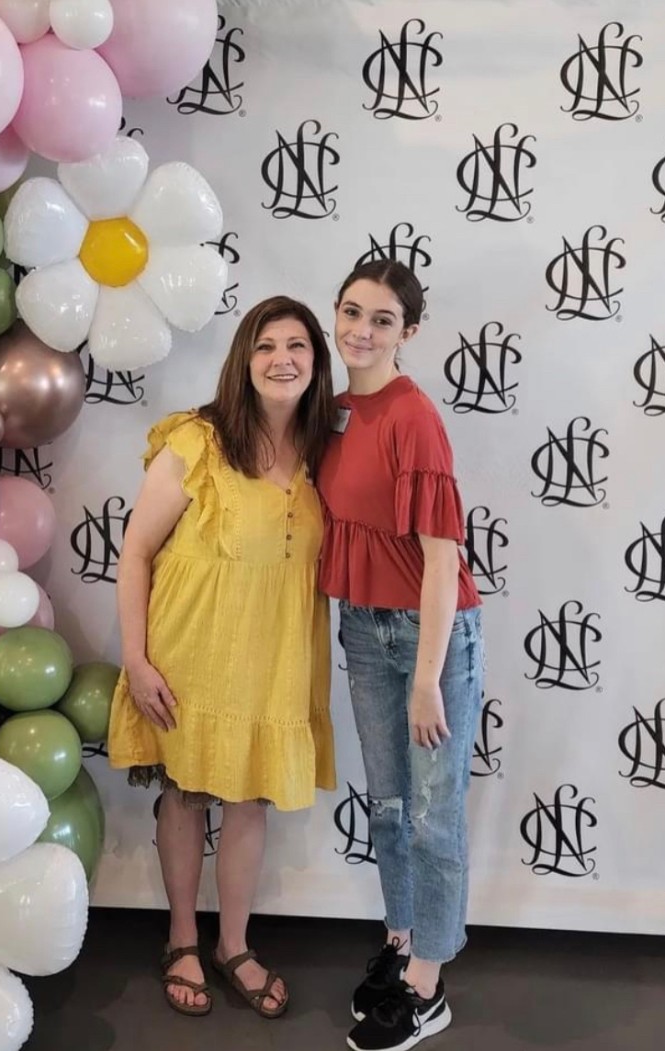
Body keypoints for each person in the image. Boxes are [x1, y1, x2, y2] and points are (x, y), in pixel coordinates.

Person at [107, 295, 337, 1019]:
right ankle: (181, 938)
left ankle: (233, 944)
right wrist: (137, 660)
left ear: (316, 361)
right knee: (185, 794)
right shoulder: (196, 440)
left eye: (296, 346)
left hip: (276, 656)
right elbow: (136, 553)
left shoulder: (328, 450)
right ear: (243, 360)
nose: (281, 359)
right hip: (191, 651)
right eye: (264, 346)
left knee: (249, 801)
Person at [317, 260, 485, 1051]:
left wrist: (426, 680)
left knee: (431, 816)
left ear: (407, 332)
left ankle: (427, 987)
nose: (361, 330)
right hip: (361, 626)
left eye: (381, 319)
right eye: (352, 312)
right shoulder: (333, 410)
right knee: (387, 806)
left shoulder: (412, 416)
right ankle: (401, 939)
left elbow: (442, 560)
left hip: (428, 638)